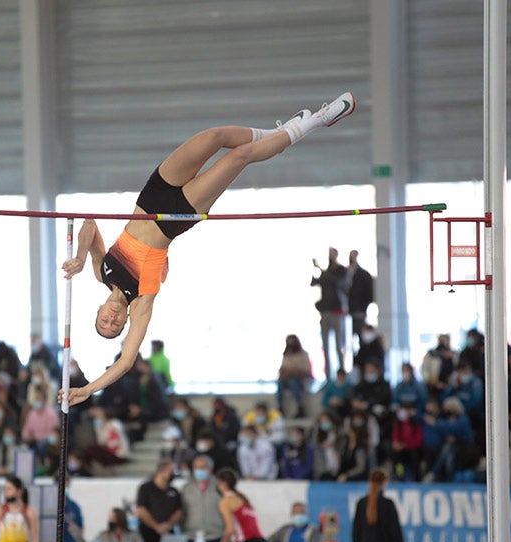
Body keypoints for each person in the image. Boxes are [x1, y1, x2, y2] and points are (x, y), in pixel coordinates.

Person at [59, 93, 356, 406]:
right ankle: (316, 121)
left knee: (215, 137)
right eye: (115, 327)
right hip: (178, 214)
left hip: (152, 196)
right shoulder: (141, 303)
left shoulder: (100, 271)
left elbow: (89, 224)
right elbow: (126, 362)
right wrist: (89, 388)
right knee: (240, 157)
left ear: (99, 311)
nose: (113, 320)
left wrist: (79, 256)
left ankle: (276, 134)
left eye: (104, 321)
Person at [312, 247, 348, 378]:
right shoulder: (326, 271)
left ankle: (341, 373)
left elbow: (338, 283)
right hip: (325, 312)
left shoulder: (340, 270)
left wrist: (322, 270)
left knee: (338, 345)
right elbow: (314, 282)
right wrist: (316, 270)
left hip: (337, 312)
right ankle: (328, 377)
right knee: (325, 347)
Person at [277, 334, 313, 418]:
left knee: (293, 382)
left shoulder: (303, 354)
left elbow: (307, 370)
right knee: (280, 383)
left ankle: (300, 406)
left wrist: (295, 371)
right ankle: (280, 407)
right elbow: (282, 368)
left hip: (300, 379)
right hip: (286, 379)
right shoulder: (286, 354)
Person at [346, 250, 375, 345]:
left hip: (360, 312)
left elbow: (370, 294)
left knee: (361, 337)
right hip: (347, 312)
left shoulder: (364, 275)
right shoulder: (346, 274)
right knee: (347, 340)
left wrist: (363, 306)